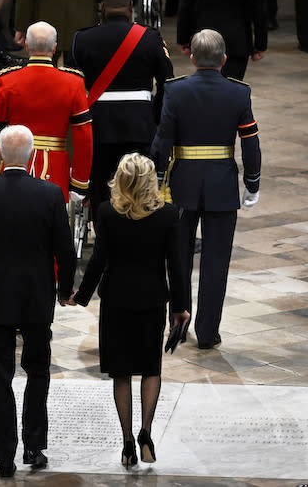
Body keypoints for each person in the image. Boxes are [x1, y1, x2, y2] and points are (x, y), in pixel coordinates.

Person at [0, 125, 76, 477]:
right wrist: (64, 289)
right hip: (36, 296)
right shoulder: (50, 193)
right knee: (38, 370)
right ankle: (34, 446)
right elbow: (65, 251)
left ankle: (4, 458)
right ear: (32, 156)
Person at [70, 153, 188, 467]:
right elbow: (176, 266)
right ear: (151, 182)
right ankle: (146, 431)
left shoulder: (108, 213)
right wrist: (181, 308)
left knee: (121, 373)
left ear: (120, 180)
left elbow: (99, 261)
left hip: (117, 301)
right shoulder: (168, 215)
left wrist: (80, 297)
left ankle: (126, 443)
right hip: (152, 300)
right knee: (151, 369)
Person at [151, 29, 261, 349]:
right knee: (216, 262)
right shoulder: (238, 93)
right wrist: (251, 183)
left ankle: (178, 325)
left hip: (181, 184)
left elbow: (163, 140)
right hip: (222, 185)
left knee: (178, 258)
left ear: (192, 58)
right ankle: (208, 332)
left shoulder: (176, 90)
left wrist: (158, 180)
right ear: (225, 59)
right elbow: (250, 144)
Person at [70, 0, 173, 210]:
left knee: (100, 187)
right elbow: (168, 83)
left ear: (103, 8)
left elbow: (72, 85)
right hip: (139, 125)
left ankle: (103, 232)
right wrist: (154, 114)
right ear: (131, 8)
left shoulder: (82, 39)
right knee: (138, 184)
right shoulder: (150, 37)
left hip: (97, 126)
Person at [0, 21, 92, 203]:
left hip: (12, 165)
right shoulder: (73, 83)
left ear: (27, 46)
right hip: (55, 169)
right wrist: (79, 182)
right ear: (54, 48)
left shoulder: (7, 80)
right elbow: (83, 137)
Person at [177, 0, 267, 80]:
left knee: (205, 85)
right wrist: (260, 44)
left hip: (205, 36)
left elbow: (185, 5)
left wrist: (183, 39)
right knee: (233, 87)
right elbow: (259, 8)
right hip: (237, 37)